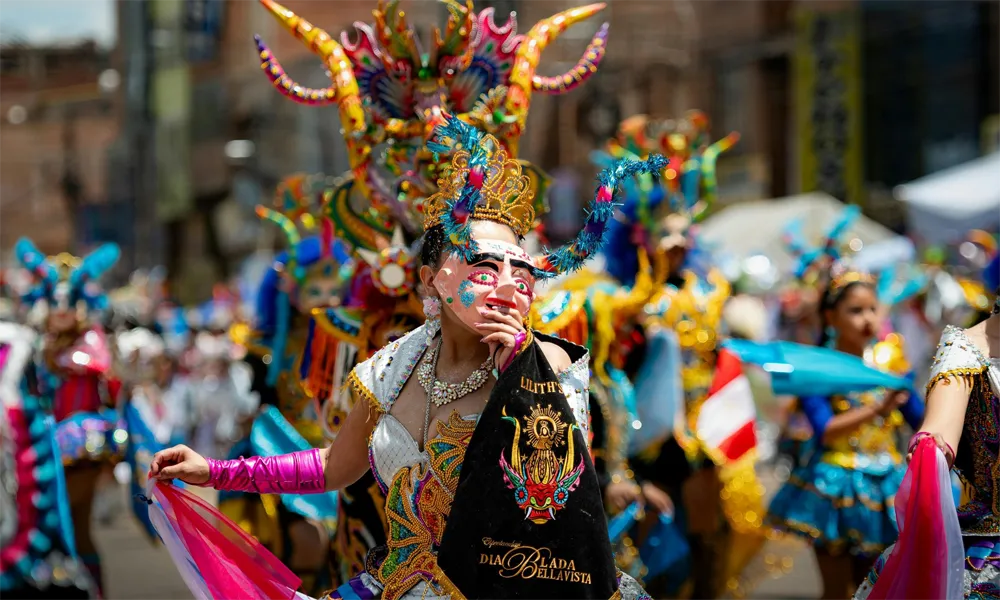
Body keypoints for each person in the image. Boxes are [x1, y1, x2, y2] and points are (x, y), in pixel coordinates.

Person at [149, 116, 661, 599]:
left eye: (520, 272)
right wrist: (215, 470)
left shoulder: (547, 364)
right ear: (432, 279)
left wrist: (519, 380)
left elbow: (563, 501)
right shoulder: (390, 368)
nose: (506, 285)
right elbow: (334, 466)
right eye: (483, 267)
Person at [765, 264, 924, 600]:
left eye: (871, 309)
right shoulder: (817, 368)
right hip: (833, 488)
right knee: (837, 591)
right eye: (855, 311)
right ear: (831, 317)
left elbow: (920, 419)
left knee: (881, 590)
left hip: (887, 488)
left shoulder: (890, 360)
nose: (867, 319)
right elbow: (827, 431)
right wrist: (878, 408)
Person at [3, 240, 124, 598]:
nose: (60, 310)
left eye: (67, 302)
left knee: (72, 526)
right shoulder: (37, 342)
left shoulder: (89, 341)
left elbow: (99, 371)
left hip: (81, 448)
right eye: (54, 302)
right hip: (42, 446)